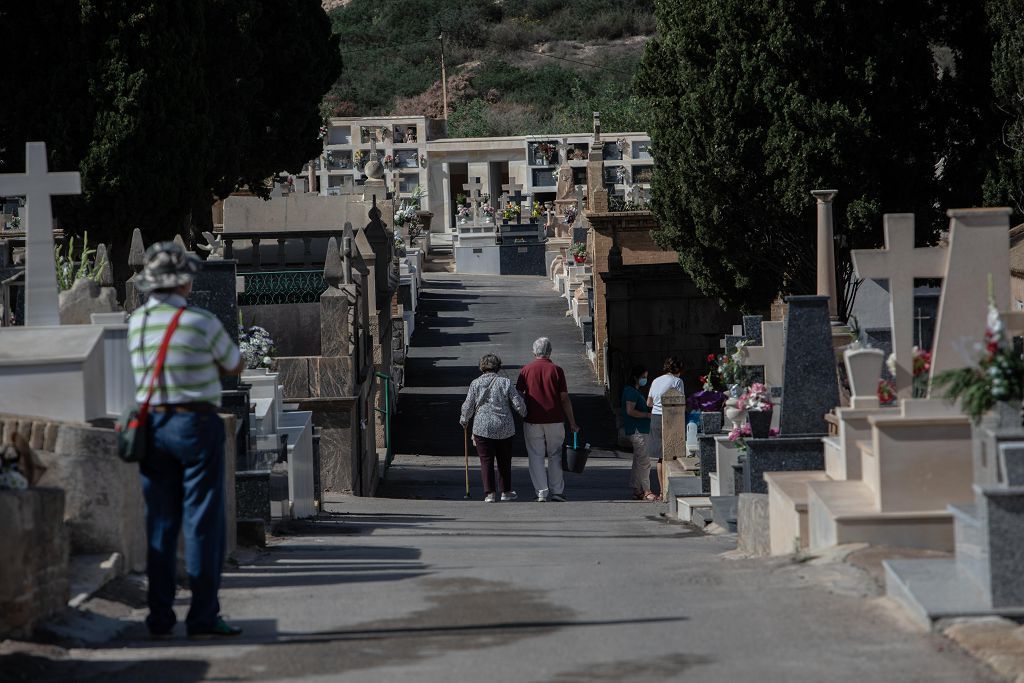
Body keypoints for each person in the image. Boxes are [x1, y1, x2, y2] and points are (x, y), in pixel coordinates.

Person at [128, 242, 245, 639]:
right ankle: (202, 615)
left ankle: (159, 617)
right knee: (201, 522)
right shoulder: (200, 321)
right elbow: (234, 364)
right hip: (195, 425)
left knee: (159, 523)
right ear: (183, 283)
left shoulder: (137, 322)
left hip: (152, 427)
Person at [516, 337, 579, 502]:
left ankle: (541, 492)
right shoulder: (557, 370)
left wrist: (522, 412)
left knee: (535, 455)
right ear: (550, 352)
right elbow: (564, 398)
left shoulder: (526, 370)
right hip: (555, 419)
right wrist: (572, 421)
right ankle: (557, 491)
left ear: (533, 352)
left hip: (532, 419)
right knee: (555, 454)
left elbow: (518, 395)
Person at [459, 353, 527, 502]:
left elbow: (468, 405)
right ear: (498, 366)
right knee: (504, 460)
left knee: (486, 460)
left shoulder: (475, 383)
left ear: (482, 366)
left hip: (482, 427)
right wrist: (524, 413)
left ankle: (489, 493)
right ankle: (506, 491)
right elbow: (517, 403)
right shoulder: (506, 382)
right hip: (504, 426)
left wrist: (464, 420)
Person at [646, 356, 685, 493]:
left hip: (655, 418)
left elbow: (648, 403)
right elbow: (680, 402)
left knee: (660, 457)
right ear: (679, 369)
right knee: (670, 454)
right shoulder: (677, 381)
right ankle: (670, 489)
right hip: (670, 418)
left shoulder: (656, 380)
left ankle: (662, 490)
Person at [622, 365, 656, 501]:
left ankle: (637, 489)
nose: (645, 380)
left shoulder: (633, 391)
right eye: (643, 377)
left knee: (638, 461)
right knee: (644, 461)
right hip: (638, 430)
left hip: (638, 430)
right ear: (636, 377)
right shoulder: (631, 392)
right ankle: (647, 490)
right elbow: (630, 411)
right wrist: (647, 415)